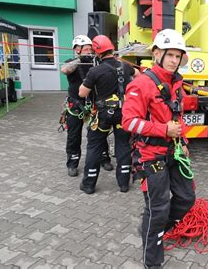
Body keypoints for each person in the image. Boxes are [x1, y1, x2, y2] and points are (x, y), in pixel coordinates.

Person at [121, 29, 195, 268]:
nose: (175, 60)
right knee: (157, 207)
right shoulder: (141, 84)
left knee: (186, 198)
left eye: (178, 55)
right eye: (170, 55)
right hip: (151, 155)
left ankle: (158, 228)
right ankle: (152, 259)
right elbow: (128, 122)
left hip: (173, 151)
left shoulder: (176, 83)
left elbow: (178, 115)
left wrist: (182, 142)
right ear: (157, 54)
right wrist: (163, 130)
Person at [78, 35, 137, 194]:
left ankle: (89, 184)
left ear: (98, 53)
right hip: (123, 114)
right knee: (123, 145)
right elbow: (137, 74)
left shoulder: (95, 71)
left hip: (103, 115)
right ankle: (124, 184)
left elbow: (82, 93)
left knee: (95, 146)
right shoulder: (125, 66)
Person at [60, 35, 112, 177]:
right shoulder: (72, 62)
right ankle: (72, 162)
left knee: (100, 132)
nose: (89, 52)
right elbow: (65, 70)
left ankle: (104, 157)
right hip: (76, 104)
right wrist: (81, 59)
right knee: (74, 135)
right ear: (77, 49)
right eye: (86, 49)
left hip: (94, 103)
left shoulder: (95, 63)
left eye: (91, 49)